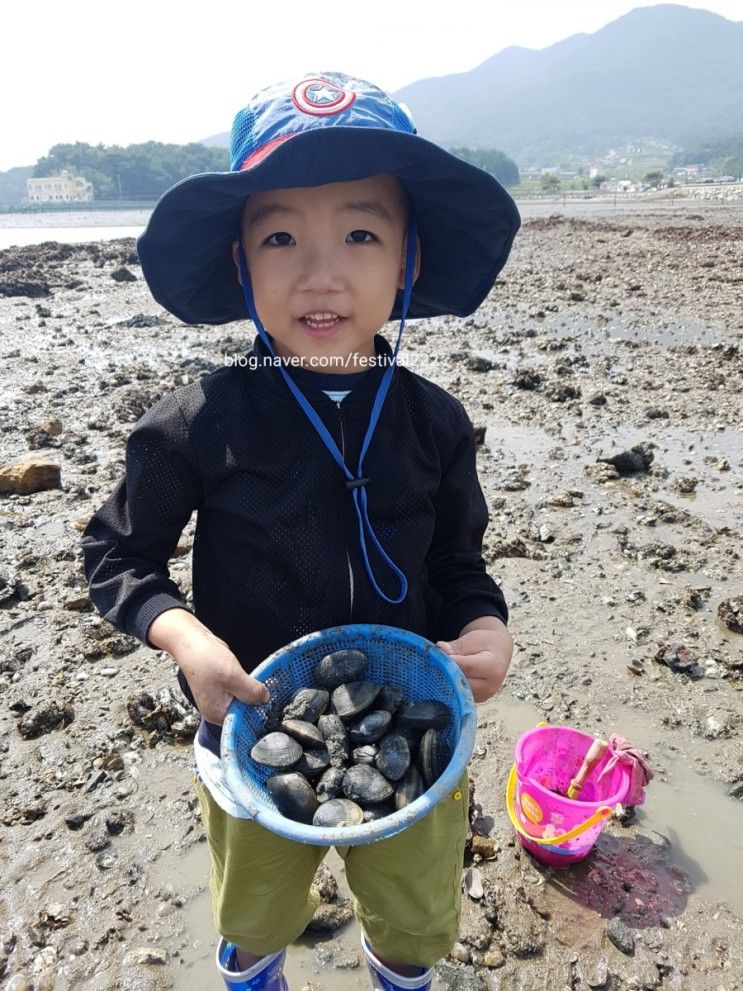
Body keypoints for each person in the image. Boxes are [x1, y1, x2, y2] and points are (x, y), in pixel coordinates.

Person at [82, 71, 520, 991]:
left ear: (407, 259)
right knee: (256, 909)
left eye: (360, 232)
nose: (320, 271)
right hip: (250, 729)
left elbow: (457, 558)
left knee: (413, 915)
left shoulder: (434, 423)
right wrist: (187, 638)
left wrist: (486, 628)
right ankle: (255, 972)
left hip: (408, 726)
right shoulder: (198, 421)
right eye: (280, 236)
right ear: (241, 262)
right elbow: (117, 555)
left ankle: (396, 972)